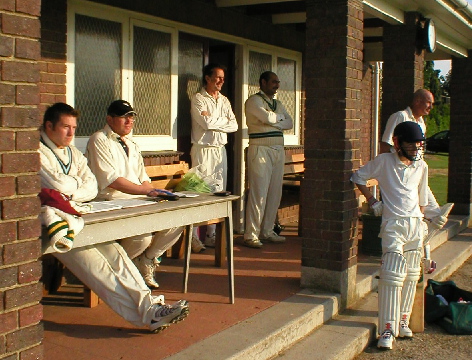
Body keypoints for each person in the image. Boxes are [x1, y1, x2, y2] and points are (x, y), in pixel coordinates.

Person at [39, 102, 189, 333]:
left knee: (116, 256)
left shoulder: (72, 152)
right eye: (65, 127)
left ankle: (151, 307)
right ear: (49, 126)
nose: (71, 133)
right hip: (56, 227)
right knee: (100, 269)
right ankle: (146, 317)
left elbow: (90, 186)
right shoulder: (36, 151)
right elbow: (58, 185)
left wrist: (70, 189)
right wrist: (74, 186)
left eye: (74, 128)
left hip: (79, 217)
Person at [351, 122, 447, 350]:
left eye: (418, 145)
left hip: (415, 225)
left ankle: (403, 320)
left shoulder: (421, 166)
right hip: (393, 224)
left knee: (412, 274)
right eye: (411, 145)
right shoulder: (385, 162)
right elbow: (357, 177)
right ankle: (387, 328)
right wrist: (373, 201)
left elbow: (423, 202)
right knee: (392, 274)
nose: (416, 149)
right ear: (397, 143)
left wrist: (432, 222)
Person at [86, 100, 184, 289]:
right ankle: (114, 271)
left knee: (178, 219)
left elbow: (143, 177)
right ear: (110, 119)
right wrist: (147, 190)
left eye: (131, 116)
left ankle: (147, 260)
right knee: (142, 238)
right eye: (124, 116)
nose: (129, 120)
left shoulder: (131, 143)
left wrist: (155, 192)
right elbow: (112, 180)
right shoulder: (99, 139)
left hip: (137, 199)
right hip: (111, 201)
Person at [380, 89, 452, 260]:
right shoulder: (399, 117)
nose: (431, 107)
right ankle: (418, 255)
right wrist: (399, 165)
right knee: (430, 214)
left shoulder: (422, 123)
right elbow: (385, 145)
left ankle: (421, 253)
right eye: (429, 103)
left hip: (417, 174)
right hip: (401, 176)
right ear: (418, 101)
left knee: (436, 216)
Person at [190, 63, 238, 252]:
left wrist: (215, 121)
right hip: (203, 149)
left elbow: (234, 125)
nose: (221, 81)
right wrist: (221, 122)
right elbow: (205, 123)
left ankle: (211, 234)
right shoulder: (198, 98)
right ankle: (194, 238)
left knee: (218, 191)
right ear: (207, 78)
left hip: (220, 149)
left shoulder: (224, 100)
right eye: (217, 77)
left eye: (222, 78)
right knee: (199, 192)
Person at [243, 71, 293, 248]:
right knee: (259, 192)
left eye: (278, 82)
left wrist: (273, 121)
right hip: (260, 149)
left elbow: (290, 123)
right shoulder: (253, 101)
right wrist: (275, 119)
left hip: (278, 149)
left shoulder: (277, 103)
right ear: (263, 82)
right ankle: (251, 234)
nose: (277, 85)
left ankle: (267, 230)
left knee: (275, 191)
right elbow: (266, 117)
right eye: (273, 82)